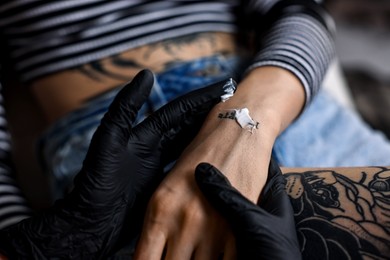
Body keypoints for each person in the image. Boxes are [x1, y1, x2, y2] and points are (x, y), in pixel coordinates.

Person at [0, 0, 390, 259]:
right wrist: (38, 242)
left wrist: (241, 124)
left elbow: (304, 16)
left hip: (277, 96)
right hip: (121, 163)